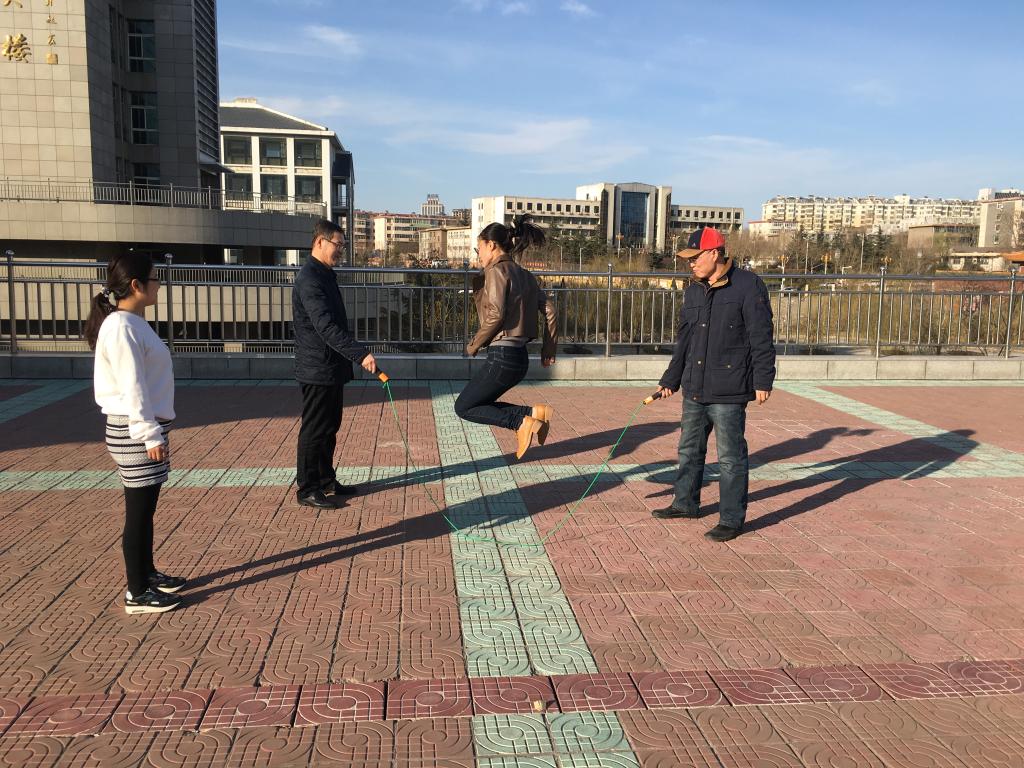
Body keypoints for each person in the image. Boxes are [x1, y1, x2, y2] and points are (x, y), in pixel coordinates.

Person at [653, 226, 776, 542]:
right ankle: (685, 503)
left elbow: (761, 336)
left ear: (714, 253)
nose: (691, 263)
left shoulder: (748, 285)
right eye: (689, 259)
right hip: (694, 386)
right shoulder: (694, 289)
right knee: (688, 449)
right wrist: (671, 379)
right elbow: (685, 339)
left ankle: (731, 519)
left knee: (730, 457)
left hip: (729, 388)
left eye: (695, 257)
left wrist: (763, 379)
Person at [86, 253, 185, 614]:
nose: (159, 285)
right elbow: (133, 386)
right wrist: (149, 434)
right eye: (155, 279)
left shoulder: (130, 322)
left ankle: (147, 573)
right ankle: (137, 592)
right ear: (136, 285)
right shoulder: (122, 327)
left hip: (143, 428)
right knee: (139, 512)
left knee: (146, 509)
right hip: (135, 431)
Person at [455, 215, 558, 459]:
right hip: (520, 358)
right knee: (480, 404)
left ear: (491, 245)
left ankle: (521, 422)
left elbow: (497, 314)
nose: (478, 255)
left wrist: (473, 345)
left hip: (502, 356)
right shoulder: (526, 275)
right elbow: (551, 311)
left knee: (464, 407)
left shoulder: (496, 271)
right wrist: (548, 350)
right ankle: (533, 414)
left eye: (479, 248)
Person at [293, 219, 377, 509]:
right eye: (337, 244)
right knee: (315, 428)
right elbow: (325, 327)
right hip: (317, 366)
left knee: (330, 426)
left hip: (331, 366)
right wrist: (360, 354)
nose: (341, 250)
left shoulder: (325, 274)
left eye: (343, 245)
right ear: (320, 242)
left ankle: (326, 480)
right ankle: (307, 488)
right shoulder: (310, 279)